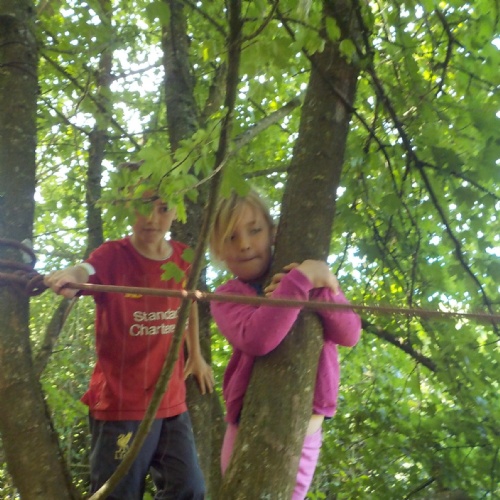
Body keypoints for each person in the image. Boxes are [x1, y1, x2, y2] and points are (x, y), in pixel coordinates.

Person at [44, 192, 214, 500]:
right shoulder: (113, 255)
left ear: (176, 211)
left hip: (170, 400)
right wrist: (70, 276)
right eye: (142, 207)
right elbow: (87, 271)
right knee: (118, 494)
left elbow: (189, 303)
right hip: (121, 404)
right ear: (126, 206)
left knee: (189, 488)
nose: (151, 218)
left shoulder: (183, 257)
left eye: (163, 209)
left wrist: (197, 355)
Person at [208, 189, 361, 499]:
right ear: (218, 250)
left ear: (273, 232)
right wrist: (299, 282)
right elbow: (257, 339)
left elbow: (350, 334)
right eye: (231, 237)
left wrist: (318, 288)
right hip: (248, 430)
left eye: (254, 230)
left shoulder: (308, 281)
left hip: (305, 435)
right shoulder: (226, 297)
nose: (244, 243)